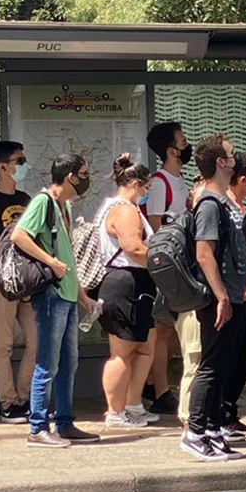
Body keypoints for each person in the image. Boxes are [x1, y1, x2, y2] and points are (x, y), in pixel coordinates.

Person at [11, 152, 99, 447]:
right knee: (48, 363)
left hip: (67, 295)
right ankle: (38, 426)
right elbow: (20, 236)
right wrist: (51, 262)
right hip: (50, 295)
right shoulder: (43, 202)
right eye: (84, 173)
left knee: (68, 361)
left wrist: (82, 294)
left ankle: (64, 422)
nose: (86, 179)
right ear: (70, 175)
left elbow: (68, 256)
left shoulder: (66, 208)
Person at [182, 135, 246, 462]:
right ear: (221, 162)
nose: (236, 158)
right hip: (217, 297)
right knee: (211, 365)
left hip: (232, 295)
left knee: (223, 365)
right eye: (231, 154)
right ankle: (194, 431)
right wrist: (221, 295)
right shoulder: (209, 203)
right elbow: (204, 254)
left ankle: (210, 427)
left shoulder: (222, 200)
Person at [0, 140, 36, 423]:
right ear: (3, 166)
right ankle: (8, 403)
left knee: (37, 341)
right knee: (5, 344)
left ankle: (25, 398)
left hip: (27, 283)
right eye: (19, 161)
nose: (23, 165)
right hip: (1, 283)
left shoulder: (25, 199)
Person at [97, 156, 158, 429]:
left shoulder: (118, 206)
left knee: (145, 347)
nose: (146, 193)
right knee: (122, 351)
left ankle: (134, 405)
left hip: (136, 281)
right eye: (145, 188)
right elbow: (134, 248)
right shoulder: (125, 210)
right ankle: (115, 411)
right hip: (126, 281)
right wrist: (163, 261)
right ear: (134, 184)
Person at [144, 120, 190, 417]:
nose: (187, 145)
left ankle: (153, 383)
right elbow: (155, 222)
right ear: (171, 149)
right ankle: (160, 390)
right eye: (183, 141)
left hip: (182, 261)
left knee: (173, 329)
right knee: (162, 329)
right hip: (168, 263)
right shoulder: (160, 181)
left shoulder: (181, 179)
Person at [220, 152, 246, 438]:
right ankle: (220, 414)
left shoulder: (241, 208)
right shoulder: (224, 206)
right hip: (233, 293)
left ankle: (229, 411)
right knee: (229, 357)